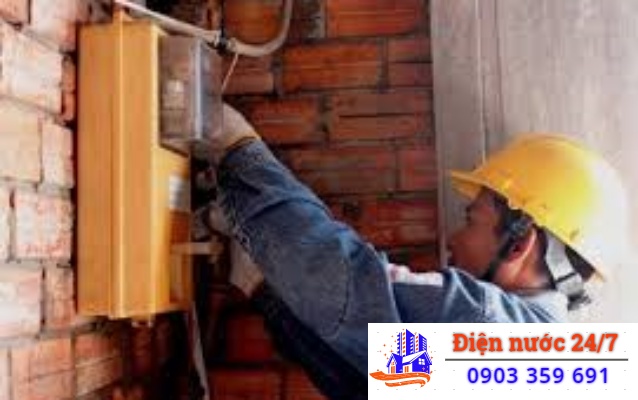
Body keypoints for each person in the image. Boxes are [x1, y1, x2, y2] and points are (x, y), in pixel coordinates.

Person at [207, 104, 630, 391]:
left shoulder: (491, 332)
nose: (453, 240)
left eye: (471, 221)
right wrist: (265, 290)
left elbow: (346, 283)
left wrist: (239, 151)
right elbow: (369, 374)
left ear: (519, 243)